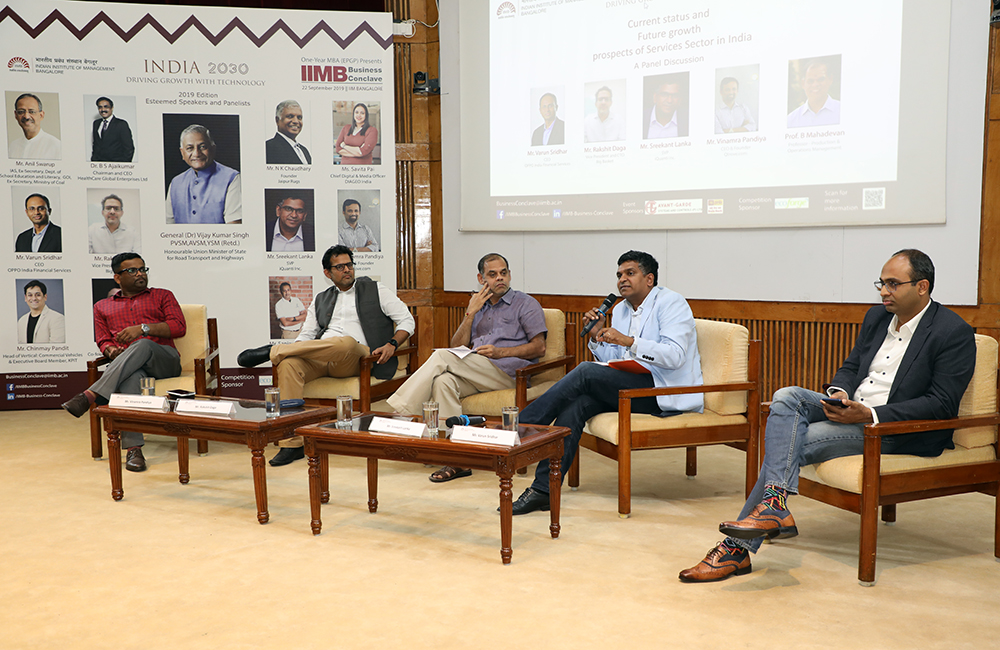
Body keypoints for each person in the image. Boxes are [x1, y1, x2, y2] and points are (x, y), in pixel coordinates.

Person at [679, 249, 976, 583]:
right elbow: (851, 367)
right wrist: (839, 395)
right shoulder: (877, 318)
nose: (883, 291)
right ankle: (774, 506)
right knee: (785, 396)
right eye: (881, 282)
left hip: (891, 428)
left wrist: (870, 414)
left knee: (791, 442)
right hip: (853, 409)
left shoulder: (953, 333)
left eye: (893, 284)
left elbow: (941, 404)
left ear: (922, 287)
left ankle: (736, 550)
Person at [511, 250, 704, 515]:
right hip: (631, 385)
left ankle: (519, 427)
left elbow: (675, 356)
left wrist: (629, 341)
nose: (622, 280)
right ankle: (543, 490)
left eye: (629, 273)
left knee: (585, 372)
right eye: (619, 275)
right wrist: (596, 336)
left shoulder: (672, 303)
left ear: (649, 279)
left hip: (664, 389)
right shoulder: (622, 309)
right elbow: (615, 360)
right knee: (577, 404)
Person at [237, 245, 414, 466]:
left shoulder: (376, 289)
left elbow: (408, 320)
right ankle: (292, 445)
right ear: (327, 273)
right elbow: (307, 335)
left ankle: (272, 350)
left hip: (356, 357)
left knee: (345, 342)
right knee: (289, 364)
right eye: (340, 267)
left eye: (349, 265)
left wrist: (392, 344)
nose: (347, 270)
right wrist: (296, 351)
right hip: (322, 356)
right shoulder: (321, 298)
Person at [387, 253, 547, 482]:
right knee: (443, 381)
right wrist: (470, 312)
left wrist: (500, 352)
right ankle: (456, 457)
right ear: (482, 278)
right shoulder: (478, 306)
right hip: (477, 370)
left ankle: (401, 414)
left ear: (510, 275)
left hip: (510, 373)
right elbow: (457, 346)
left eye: (504, 273)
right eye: (493, 275)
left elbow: (539, 348)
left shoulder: (525, 303)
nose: (499, 278)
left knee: (441, 356)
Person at [61, 253, 187, 473]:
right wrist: (111, 351)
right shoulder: (102, 306)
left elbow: (178, 326)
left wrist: (143, 328)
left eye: (142, 269)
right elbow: (103, 340)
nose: (140, 274)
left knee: (143, 344)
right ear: (117, 278)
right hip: (131, 366)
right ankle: (134, 450)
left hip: (164, 361)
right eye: (132, 270)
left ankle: (91, 395)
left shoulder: (162, 295)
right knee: (131, 378)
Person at [165, 125, 242, 224]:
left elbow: (234, 229)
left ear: (213, 149)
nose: (196, 153)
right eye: (189, 148)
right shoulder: (175, 183)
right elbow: (168, 226)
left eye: (202, 147)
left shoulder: (232, 178)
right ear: (182, 153)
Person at [787, 60, 841, 128]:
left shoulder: (843, 112)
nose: (815, 85)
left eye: (820, 79)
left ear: (830, 80)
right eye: (810, 81)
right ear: (803, 83)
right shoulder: (791, 120)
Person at [9, 93, 61, 159]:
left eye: (32, 112)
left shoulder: (56, 146)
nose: (26, 116)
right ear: (16, 115)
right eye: (21, 111)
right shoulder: (13, 146)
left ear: (41, 115)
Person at [265, 100, 311, 165]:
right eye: (290, 116)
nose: (296, 121)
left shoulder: (304, 151)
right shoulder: (269, 148)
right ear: (277, 120)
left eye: (299, 117)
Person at [91, 97, 135, 162]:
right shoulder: (96, 123)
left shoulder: (121, 124)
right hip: (99, 165)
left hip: (116, 165)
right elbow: (96, 144)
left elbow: (129, 148)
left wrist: (123, 165)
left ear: (112, 108)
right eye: (100, 107)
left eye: (106, 107)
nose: (103, 109)